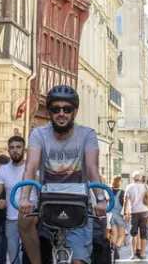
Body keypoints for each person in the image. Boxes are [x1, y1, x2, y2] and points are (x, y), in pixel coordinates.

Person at [18, 85, 107, 264]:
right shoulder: (38, 134)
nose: (61, 113)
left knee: (78, 261)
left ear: (74, 112)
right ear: (49, 113)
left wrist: (100, 199)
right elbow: (31, 165)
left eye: (67, 109)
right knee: (24, 220)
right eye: (55, 109)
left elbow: (91, 167)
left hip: (78, 199)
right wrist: (24, 197)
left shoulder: (87, 135)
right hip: (46, 196)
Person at [0, 136, 29, 264]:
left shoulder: (32, 167)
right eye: (12, 148)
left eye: (18, 147)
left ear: (24, 149)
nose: (15, 150)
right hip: (11, 220)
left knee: (28, 256)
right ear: (8, 150)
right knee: (13, 258)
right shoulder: (3, 170)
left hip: (30, 219)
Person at [123, 171, 148, 260]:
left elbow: (125, 200)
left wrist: (125, 213)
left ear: (132, 178)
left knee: (133, 234)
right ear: (141, 178)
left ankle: (133, 254)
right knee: (143, 234)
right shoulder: (145, 186)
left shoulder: (129, 187)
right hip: (144, 212)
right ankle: (142, 254)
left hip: (133, 212)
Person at [108, 175, 128, 260]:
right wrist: (126, 214)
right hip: (120, 216)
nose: (121, 182)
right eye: (121, 181)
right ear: (118, 182)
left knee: (115, 234)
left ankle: (113, 247)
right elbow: (125, 204)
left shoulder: (109, 191)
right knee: (122, 235)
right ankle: (117, 247)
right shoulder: (122, 192)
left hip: (111, 216)